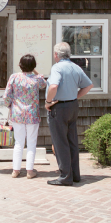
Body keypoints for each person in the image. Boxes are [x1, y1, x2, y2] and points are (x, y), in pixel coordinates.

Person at [45, 42, 93, 187]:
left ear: (56, 55)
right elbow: (89, 85)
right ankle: (75, 174)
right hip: (72, 105)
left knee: (60, 142)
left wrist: (48, 101)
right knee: (72, 140)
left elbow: (53, 86)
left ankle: (65, 176)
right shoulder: (75, 67)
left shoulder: (57, 67)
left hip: (58, 107)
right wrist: (75, 96)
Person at [3, 54, 47, 179]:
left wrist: (10, 106)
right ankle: (29, 171)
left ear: (20, 65)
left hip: (17, 114)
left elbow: (6, 96)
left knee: (18, 142)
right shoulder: (37, 79)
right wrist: (36, 72)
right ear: (34, 66)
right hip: (32, 114)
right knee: (31, 143)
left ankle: (15, 170)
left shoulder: (14, 77)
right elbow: (45, 84)